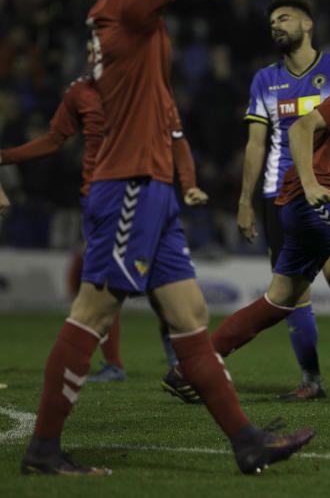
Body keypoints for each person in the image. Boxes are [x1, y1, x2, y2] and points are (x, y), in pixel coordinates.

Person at [20, 0, 313, 477]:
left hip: (144, 183)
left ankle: (244, 442)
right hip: (127, 183)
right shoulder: (135, 9)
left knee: (189, 313)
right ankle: (43, 449)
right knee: (92, 313)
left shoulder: (118, 2)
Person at [166, 19, 330, 412]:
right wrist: (312, 184)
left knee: (279, 300)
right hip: (313, 199)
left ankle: (190, 368)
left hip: (305, 204)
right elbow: (301, 128)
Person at [1, 52, 206, 382]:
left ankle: (168, 357)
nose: (95, 53)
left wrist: (190, 183)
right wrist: (5, 157)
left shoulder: (149, 89)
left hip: (139, 193)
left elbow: (176, 141)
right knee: (119, 281)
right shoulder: (79, 92)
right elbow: (54, 138)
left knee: (144, 281)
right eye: (90, 47)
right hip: (97, 196)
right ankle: (139, 361)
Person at [235, 0, 330, 401]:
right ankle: (311, 379)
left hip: (328, 189)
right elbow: (256, 143)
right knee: (295, 293)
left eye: (285, 17)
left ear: (308, 24)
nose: (276, 24)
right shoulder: (264, 80)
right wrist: (245, 200)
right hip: (281, 197)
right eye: (272, 20)